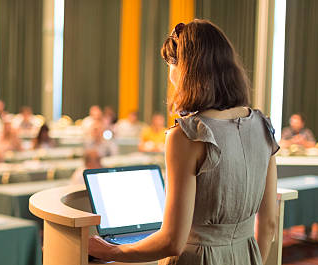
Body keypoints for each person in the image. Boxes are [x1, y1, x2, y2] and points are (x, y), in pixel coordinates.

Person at [88, 19, 280, 265]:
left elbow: (172, 240)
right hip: (247, 255)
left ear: (186, 69)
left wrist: (111, 252)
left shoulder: (188, 135)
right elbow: (270, 223)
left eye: (171, 65)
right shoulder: (264, 125)